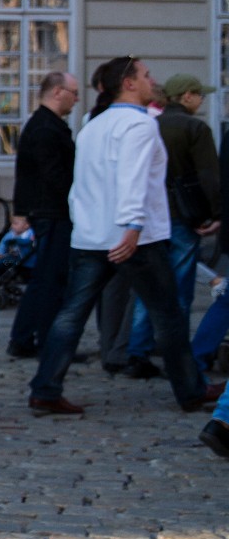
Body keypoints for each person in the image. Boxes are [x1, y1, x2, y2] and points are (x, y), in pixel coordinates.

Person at [29, 56, 222, 417]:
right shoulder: (140, 125)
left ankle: (45, 388)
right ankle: (191, 390)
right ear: (129, 83)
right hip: (134, 238)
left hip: (93, 235)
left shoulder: (93, 126)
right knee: (168, 314)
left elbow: (80, 187)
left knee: (72, 314)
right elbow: (133, 180)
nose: (153, 80)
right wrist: (132, 226)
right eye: (146, 75)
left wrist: (85, 225)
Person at [120, 73, 219, 373]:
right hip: (181, 217)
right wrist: (216, 214)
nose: (202, 100)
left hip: (149, 216)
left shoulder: (151, 125)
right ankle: (177, 354)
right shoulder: (194, 127)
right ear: (186, 96)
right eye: (199, 94)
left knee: (148, 287)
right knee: (180, 288)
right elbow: (208, 176)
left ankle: (137, 350)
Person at [7, 71, 81, 359]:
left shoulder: (47, 125)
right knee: (51, 279)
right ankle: (43, 340)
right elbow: (53, 177)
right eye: (73, 93)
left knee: (46, 278)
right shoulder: (45, 128)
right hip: (51, 212)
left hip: (48, 210)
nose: (76, 99)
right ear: (58, 92)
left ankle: (26, 337)